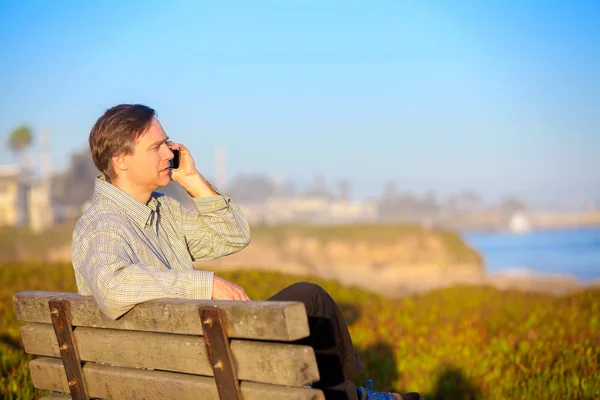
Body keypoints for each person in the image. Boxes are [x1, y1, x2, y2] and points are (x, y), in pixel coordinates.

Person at [71, 103, 421, 400]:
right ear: (122, 160)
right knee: (309, 299)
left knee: (307, 299)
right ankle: (352, 397)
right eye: (157, 147)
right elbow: (113, 287)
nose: (170, 153)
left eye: (168, 144)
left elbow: (233, 236)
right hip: (179, 373)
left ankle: (346, 395)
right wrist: (203, 285)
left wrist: (192, 180)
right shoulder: (104, 223)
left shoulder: (162, 211)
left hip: (183, 364)